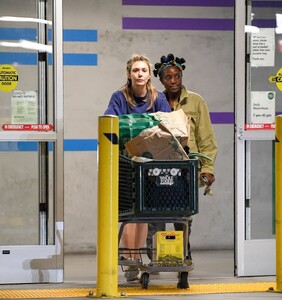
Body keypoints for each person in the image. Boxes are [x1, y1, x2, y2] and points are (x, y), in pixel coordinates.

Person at [147, 53, 218, 270]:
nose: (173, 80)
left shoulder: (195, 101)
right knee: (155, 215)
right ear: (161, 79)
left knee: (182, 215)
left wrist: (208, 167)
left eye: (177, 76)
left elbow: (206, 138)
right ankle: (157, 257)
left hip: (187, 167)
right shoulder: (154, 101)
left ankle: (183, 254)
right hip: (159, 166)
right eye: (168, 77)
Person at [104, 54, 171, 282]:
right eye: (135, 70)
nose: (139, 74)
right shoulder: (119, 97)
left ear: (149, 74)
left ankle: (137, 259)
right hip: (125, 161)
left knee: (142, 213)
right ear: (129, 74)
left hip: (150, 162)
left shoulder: (158, 98)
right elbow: (109, 121)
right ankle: (130, 261)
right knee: (128, 213)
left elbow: (167, 125)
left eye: (143, 70)